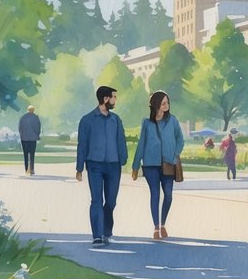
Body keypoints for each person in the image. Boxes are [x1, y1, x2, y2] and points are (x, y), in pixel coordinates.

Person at [76, 85, 127, 247]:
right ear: (105, 99)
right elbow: (82, 145)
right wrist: (79, 167)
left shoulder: (116, 119)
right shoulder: (87, 120)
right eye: (113, 97)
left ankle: (107, 230)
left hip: (114, 166)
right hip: (94, 165)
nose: (115, 100)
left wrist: (123, 160)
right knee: (96, 200)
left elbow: (121, 141)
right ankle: (97, 235)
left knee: (111, 202)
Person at [131, 90, 185, 240]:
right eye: (163, 103)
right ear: (156, 105)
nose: (166, 105)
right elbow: (141, 144)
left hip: (168, 163)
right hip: (150, 165)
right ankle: (156, 227)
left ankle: (163, 224)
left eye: (167, 102)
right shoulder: (147, 123)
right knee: (155, 194)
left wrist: (175, 155)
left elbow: (180, 140)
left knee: (168, 195)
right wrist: (135, 166)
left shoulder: (173, 121)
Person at [18, 105, 42, 176]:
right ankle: (31, 169)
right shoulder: (36, 118)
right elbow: (38, 128)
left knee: (25, 154)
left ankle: (26, 169)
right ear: (33, 110)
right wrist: (37, 135)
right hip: (32, 139)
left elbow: (20, 128)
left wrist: (21, 136)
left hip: (24, 139)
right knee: (32, 154)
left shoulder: (23, 117)